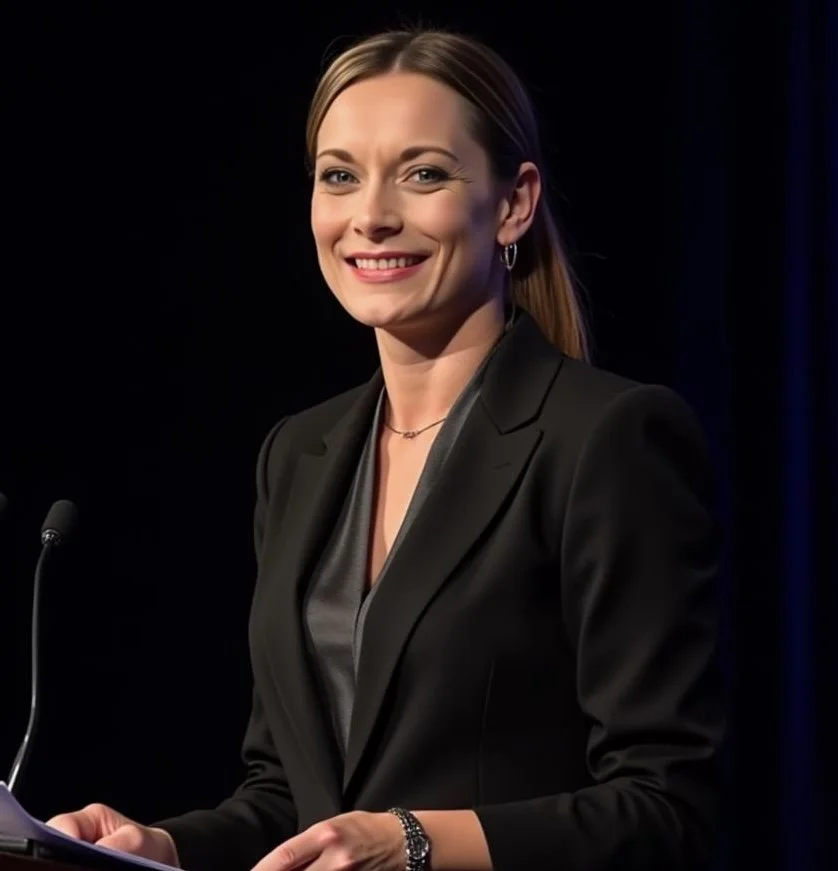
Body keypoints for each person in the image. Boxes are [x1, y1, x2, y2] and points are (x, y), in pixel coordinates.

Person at [47, 26, 725, 871]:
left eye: (424, 173)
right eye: (340, 176)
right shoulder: (298, 454)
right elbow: (290, 798)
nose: (370, 215)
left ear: (513, 203)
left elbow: (672, 806)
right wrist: (161, 846)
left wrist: (412, 840)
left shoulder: (608, 438)